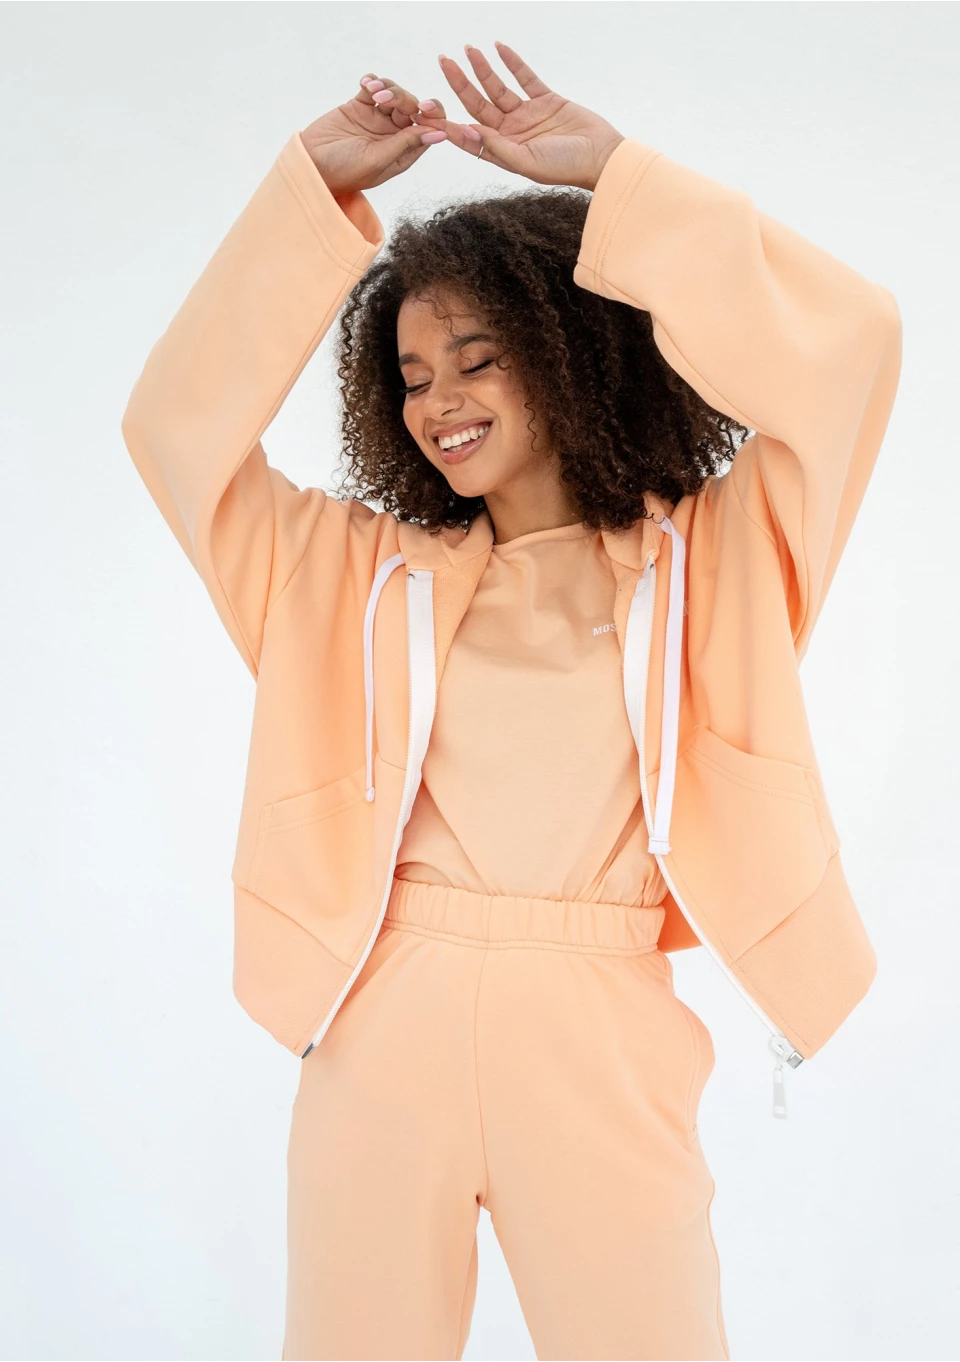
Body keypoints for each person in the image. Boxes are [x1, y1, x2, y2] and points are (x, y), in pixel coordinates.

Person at [121, 40, 902, 1362]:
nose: (440, 404)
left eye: (477, 359)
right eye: (414, 375)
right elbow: (174, 432)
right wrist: (311, 189)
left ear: (567, 350)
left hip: (599, 1022)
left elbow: (854, 351)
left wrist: (619, 182)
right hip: (384, 1015)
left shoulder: (714, 560)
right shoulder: (346, 575)